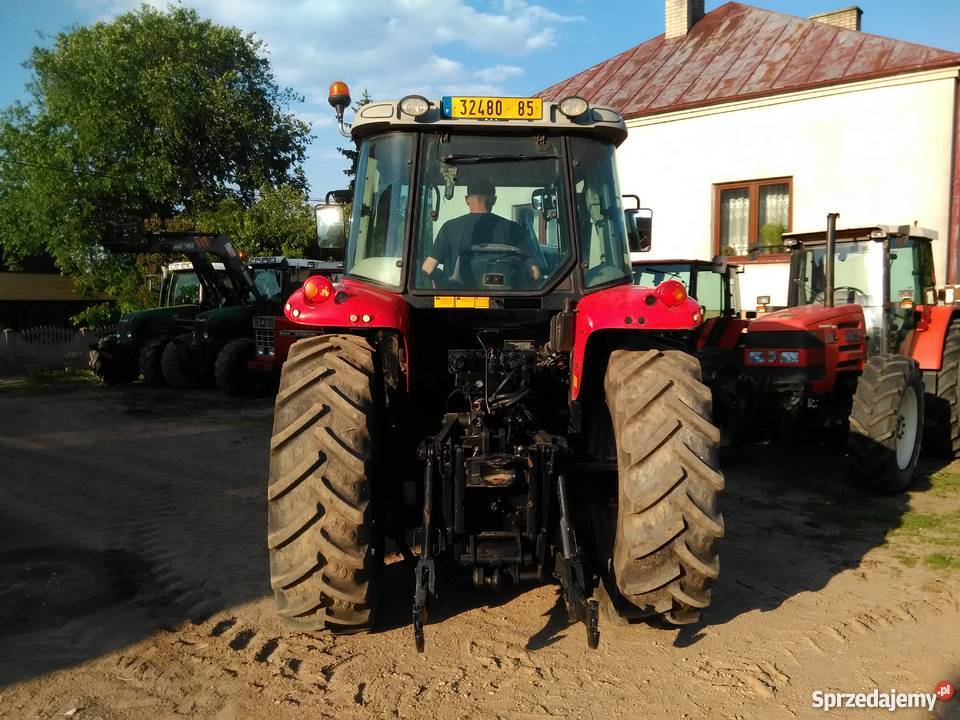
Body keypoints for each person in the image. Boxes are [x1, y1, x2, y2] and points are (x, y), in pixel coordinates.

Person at [422, 178, 542, 287]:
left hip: (459, 304)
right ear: (493, 200)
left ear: (466, 200)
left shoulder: (449, 228)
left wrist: (439, 276)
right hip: (505, 305)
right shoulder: (513, 228)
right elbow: (535, 274)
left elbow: (428, 268)